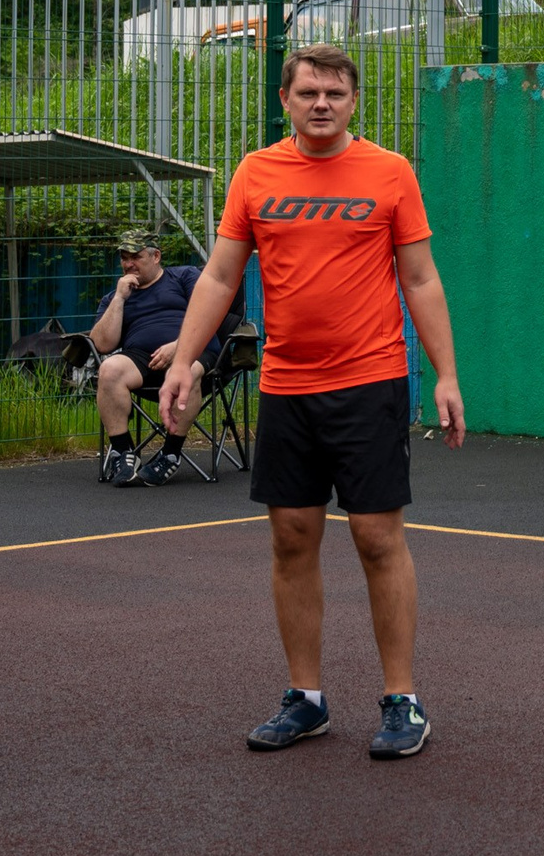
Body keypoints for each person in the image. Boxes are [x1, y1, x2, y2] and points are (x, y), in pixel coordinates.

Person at [163, 43, 464, 760]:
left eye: (334, 91)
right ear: (286, 99)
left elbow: (419, 278)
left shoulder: (389, 173)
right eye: (308, 92)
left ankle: (402, 699)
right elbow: (220, 275)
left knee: (375, 538)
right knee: (292, 538)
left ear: (353, 100)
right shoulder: (256, 172)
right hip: (287, 386)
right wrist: (182, 360)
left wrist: (446, 374)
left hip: (370, 382)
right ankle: (306, 698)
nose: (321, 102)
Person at [87, 227, 237, 486]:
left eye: (136, 257)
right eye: (124, 257)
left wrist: (180, 346)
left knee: (186, 373)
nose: (128, 264)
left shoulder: (184, 277)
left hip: (197, 350)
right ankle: (123, 454)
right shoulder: (115, 297)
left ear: (156, 256)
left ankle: (170, 454)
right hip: (141, 357)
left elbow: (211, 313)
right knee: (109, 369)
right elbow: (101, 344)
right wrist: (120, 299)